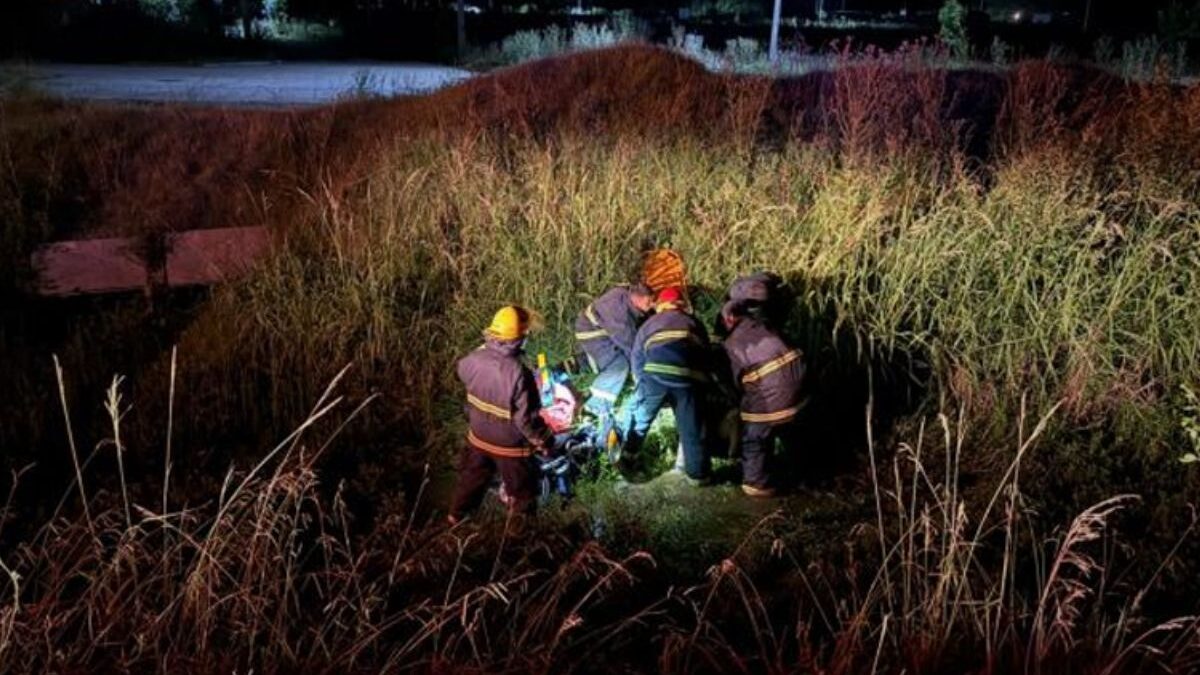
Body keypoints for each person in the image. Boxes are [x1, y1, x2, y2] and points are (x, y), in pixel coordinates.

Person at [449, 305, 555, 524]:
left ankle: (454, 520)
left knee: (471, 481)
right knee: (523, 494)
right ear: (519, 338)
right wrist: (545, 440)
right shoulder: (519, 373)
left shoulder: (472, 359)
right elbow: (526, 420)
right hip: (509, 447)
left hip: (478, 437)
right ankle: (517, 534)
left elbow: (462, 371)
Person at [623, 286, 712, 483]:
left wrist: (642, 383)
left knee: (642, 419)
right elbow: (706, 355)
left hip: (654, 376)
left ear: (661, 305)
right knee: (691, 427)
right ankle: (698, 476)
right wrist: (702, 384)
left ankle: (628, 459)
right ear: (681, 305)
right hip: (686, 378)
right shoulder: (693, 322)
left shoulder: (649, 324)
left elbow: (637, 357)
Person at [720, 298, 805, 497]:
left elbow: (736, 381)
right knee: (791, 427)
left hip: (773, 395)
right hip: (802, 390)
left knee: (754, 436)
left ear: (730, 318)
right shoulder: (766, 324)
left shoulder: (732, 342)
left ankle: (757, 485)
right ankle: (803, 468)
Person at [573, 284, 656, 429]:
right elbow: (629, 345)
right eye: (649, 302)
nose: (651, 305)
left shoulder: (626, 298)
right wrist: (640, 373)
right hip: (591, 332)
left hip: (599, 329)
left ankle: (574, 365)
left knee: (608, 358)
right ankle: (594, 407)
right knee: (619, 365)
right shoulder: (618, 311)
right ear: (638, 298)